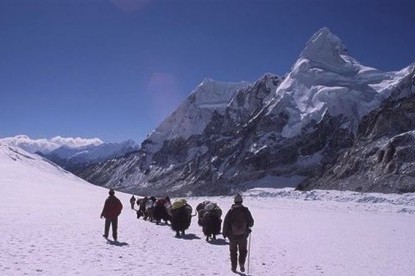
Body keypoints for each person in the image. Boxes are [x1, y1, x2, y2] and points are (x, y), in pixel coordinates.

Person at [222, 193, 254, 273]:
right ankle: (242, 264)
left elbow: (226, 223)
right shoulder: (245, 210)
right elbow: (251, 223)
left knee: (233, 252)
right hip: (243, 236)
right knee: (243, 251)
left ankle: (233, 267)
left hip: (232, 236)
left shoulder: (230, 211)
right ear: (241, 201)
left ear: (234, 201)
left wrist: (224, 233)